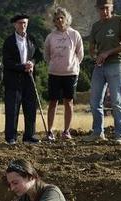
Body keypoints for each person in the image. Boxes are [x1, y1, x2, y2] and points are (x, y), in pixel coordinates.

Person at [82, 0, 121, 146]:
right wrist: (95, 56)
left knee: (117, 101)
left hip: (116, 64)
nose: (103, 11)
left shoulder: (119, 20)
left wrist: (107, 53)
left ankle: (120, 135)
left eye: (106, 8)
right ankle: (98, 133)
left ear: (112, 8)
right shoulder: (96, 26)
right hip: (99, 67)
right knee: (95, 101)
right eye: (101, 9)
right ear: (97, 10)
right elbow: (91, 47)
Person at [2, 13, 43, 145]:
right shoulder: (8, 41)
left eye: (25, 23)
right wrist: (22, 67)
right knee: (12, 109)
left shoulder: (31, 39)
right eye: (20, 23)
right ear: (15, 25)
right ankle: (11, 137)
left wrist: (32, 62)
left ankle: (29, 135)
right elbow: (7, 62)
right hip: (13, 80)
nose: (23, 25)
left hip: (29, 79)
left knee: (30, 108)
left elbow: (38, 55)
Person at [43, 7, 84, 140]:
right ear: (54, 21)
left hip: (70, 74)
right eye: (57, 18)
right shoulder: (50, 37)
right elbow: (46, 55)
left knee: (68, 102)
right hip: (54, 73)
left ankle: (66, 131)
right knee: (53, 102)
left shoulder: (74, 34)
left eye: (62, 17)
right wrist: (53, 64)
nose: (60, 20)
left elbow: (80, 54)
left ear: (67, 19)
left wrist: (73, 66)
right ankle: (49, 132)